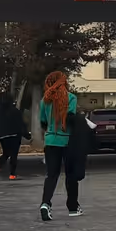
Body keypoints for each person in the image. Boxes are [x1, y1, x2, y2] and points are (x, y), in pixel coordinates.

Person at [38, 72, 82, 221]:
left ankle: (45, 204)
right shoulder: (71, 98)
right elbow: (71, 119)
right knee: (71, 175)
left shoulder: (45, 100)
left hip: (50, 141)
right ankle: (73, 207)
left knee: (51, 175)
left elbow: (43, 122)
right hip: (68, 141)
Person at [0, 92, 25, 182]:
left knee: (6, 153)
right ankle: (12, 174)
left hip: (2, 135)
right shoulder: (15, 111)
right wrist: (26, 134)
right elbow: (21, 124)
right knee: (14, 154)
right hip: (14, 135)